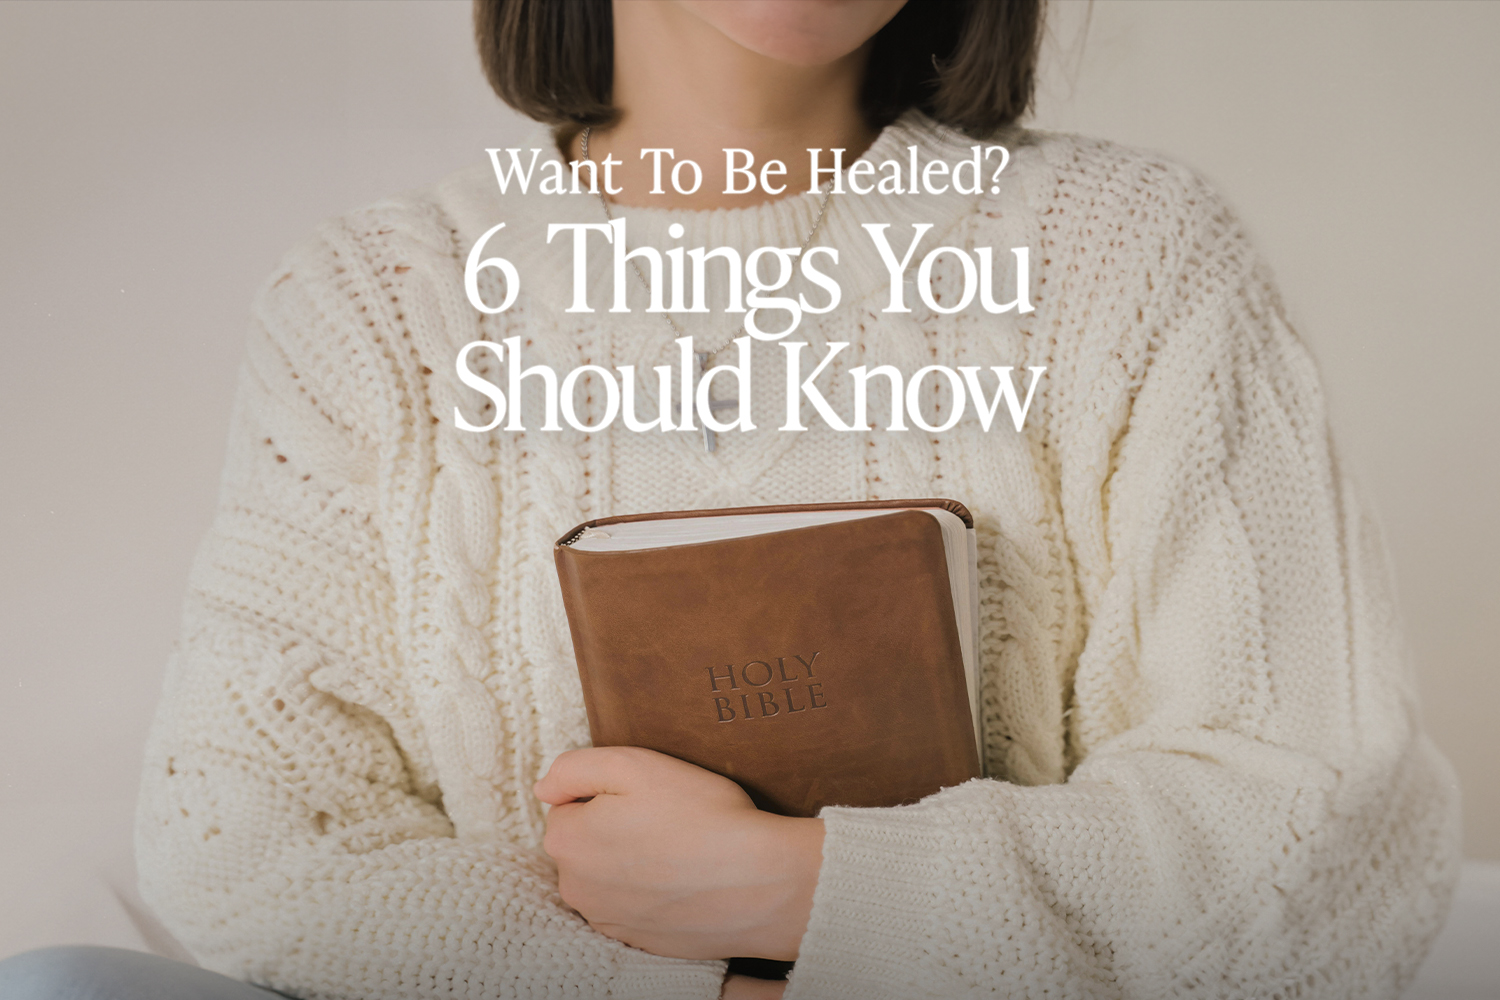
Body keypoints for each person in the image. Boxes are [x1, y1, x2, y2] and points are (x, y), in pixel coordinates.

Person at [0, 1, 1460, 998]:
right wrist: (675, 981)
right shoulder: (373, 309)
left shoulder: (1134, 259)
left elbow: (1333, 841)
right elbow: (244, 837)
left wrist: (814, 894)